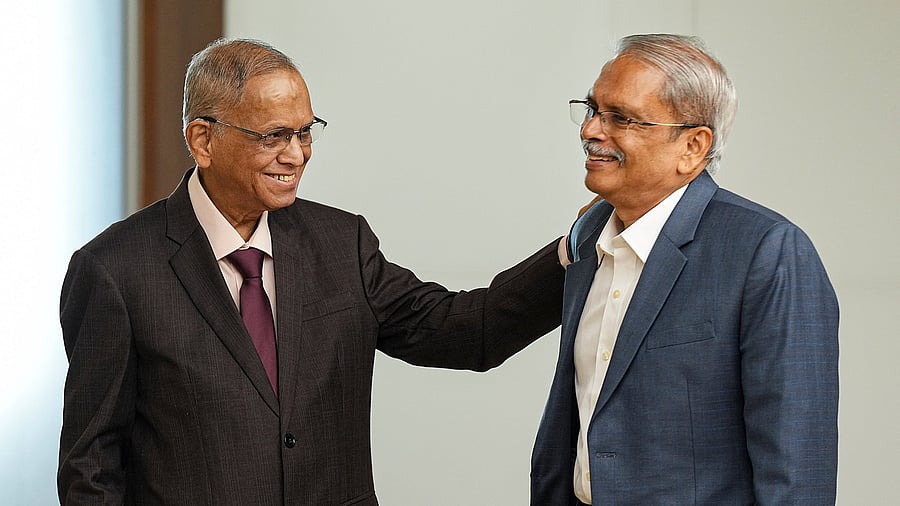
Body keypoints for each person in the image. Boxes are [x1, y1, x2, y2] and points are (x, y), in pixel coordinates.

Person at [58, 38, 565, 505]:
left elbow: (467, 331)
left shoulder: (343, 243)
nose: (297, 155)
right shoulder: (114, 271)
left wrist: (575, 250)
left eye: (304, 132)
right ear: (203, 140)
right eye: (274, 136)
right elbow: (90, 470)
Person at [530, 34, 839, 504]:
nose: (590, 130)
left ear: (693, 146)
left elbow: (797, 469)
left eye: (621, 118)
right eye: (592, 110)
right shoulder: (589, 234)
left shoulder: (766, 250)